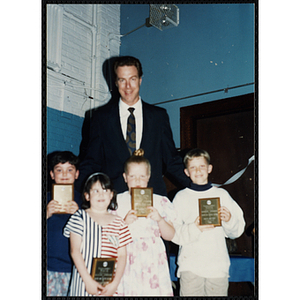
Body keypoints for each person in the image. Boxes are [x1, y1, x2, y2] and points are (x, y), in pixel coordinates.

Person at [76, 55, 190, 196]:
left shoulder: (158, 116)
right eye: (122, 80)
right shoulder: (101, 118)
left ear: (140, 80)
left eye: (133, 79)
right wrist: (73, 195)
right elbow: (91, 163)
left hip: (153, 198)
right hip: (113, 199)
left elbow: (172, 161)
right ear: (116, 82)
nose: (128, 86)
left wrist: (199, 189)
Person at [171, 148, 245, 296]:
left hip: (217, 265)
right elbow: (174, 233)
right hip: (190, 266)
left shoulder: (222, 195)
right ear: (186, 172)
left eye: (202, 166)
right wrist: (195, 228)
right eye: (193, 167)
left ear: (209, 168)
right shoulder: (181, 197)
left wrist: (229, 220)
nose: (198, 170)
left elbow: (236, 232)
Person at [115, 149, 176, 296]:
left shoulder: (161, 201)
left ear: (148, 177)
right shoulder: (116, 201)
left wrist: (160, 220)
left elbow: (170, 235)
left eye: (142, 176)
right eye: (132, 176)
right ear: (125, 177)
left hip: (153, 259)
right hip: (126, 258)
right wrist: (124, 223)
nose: (137, 181)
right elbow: (109, 239)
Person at [63, 172, 132, 296]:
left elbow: (122, 255)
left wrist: (115, 284)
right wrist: (88, 281)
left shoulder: (119, 222)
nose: (101, 194)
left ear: (111, 195)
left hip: (109, 287)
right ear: (87, 196)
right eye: (95, 191)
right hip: (83, 284)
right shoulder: (79, 217)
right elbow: (75, 251)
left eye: (105, 190)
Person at [46, 151, 82, 296]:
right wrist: (46, 214)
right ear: (52, 175)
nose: (65, 174)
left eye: (70, 170)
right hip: (49, 267)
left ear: (77, 174)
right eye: (59, 170)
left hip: (74, 269)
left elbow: (93, 233)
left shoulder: (85, 200)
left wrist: (80, 215)